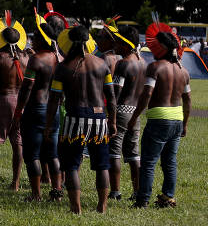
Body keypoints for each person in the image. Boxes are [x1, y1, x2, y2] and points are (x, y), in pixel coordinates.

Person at [45, 25, 116, 215]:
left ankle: (76, 208)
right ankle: (102, 206)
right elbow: (111, 95)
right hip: (100, 119)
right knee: (102, 165)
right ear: (88, 41)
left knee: (71, 166)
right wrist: (113, 121)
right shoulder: (102, 64)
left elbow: (54, 99)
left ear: (69, 42)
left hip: (75, 118)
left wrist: (49, 124)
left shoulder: (63, 67)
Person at [129, 21, 191, 209]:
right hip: (177, 119)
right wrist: (185, 124)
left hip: (158, 119)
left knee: (148, 162)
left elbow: (147, 93)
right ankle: (168, 197)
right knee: (170, 162)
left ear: (162, 47)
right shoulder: (184, 71)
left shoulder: (154, 67)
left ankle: (143, 200)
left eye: (155, 45)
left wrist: (134, 117)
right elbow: (188, 100)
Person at [11, 7, 66, 202]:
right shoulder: (59, 59)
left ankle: (36, 195)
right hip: (54, 110)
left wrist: (18, 112)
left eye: (35, 36)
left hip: (35, 110)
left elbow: (26, 88)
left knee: (32, 154)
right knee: (52, 154)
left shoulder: (36, 60)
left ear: (43, 39)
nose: (32, 39)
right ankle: (57, 193)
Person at [0, 11, 29, 191]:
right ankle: (16, 182)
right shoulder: (26, 57)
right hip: (21, 102)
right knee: (17, 142)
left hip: (4, 99)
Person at [108, 24, 146, 201]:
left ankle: (115, 191)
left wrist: (112, 117)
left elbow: (115, 93)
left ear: (125, 43)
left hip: (121, 111)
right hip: (135, 112)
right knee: (133, 153)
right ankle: (137, 191)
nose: (114, 45)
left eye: (117, 42)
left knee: (114, 152)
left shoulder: (123, 64)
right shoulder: (142, 63)